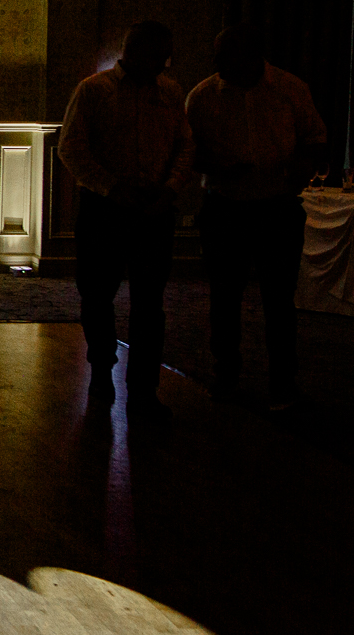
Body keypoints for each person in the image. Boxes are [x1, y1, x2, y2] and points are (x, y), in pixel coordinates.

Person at [185, 25, 327, 411]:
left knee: (279, 299)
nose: (215, 63)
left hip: (275, 206)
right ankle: (227, 375)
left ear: (250, 56)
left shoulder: (289, 89)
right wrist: (219, 167)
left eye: (223, 55)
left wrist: (297, 171)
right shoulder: (202, 96)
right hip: (225, 205)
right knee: (224, 297)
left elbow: (315, 139)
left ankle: (282, 382)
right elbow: (185, 152)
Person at [58, 21, 194, 418]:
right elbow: (71, 147)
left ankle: (144, 388)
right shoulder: (94, 91)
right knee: (97, 296)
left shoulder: (171, 93)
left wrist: (169, 189)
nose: (164, 63)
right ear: (132, 51)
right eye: (158, 55)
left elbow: (185, 145)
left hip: (154, 209)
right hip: (105, 210)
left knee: (150, 304)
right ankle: (102, 370)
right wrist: (112, 188)